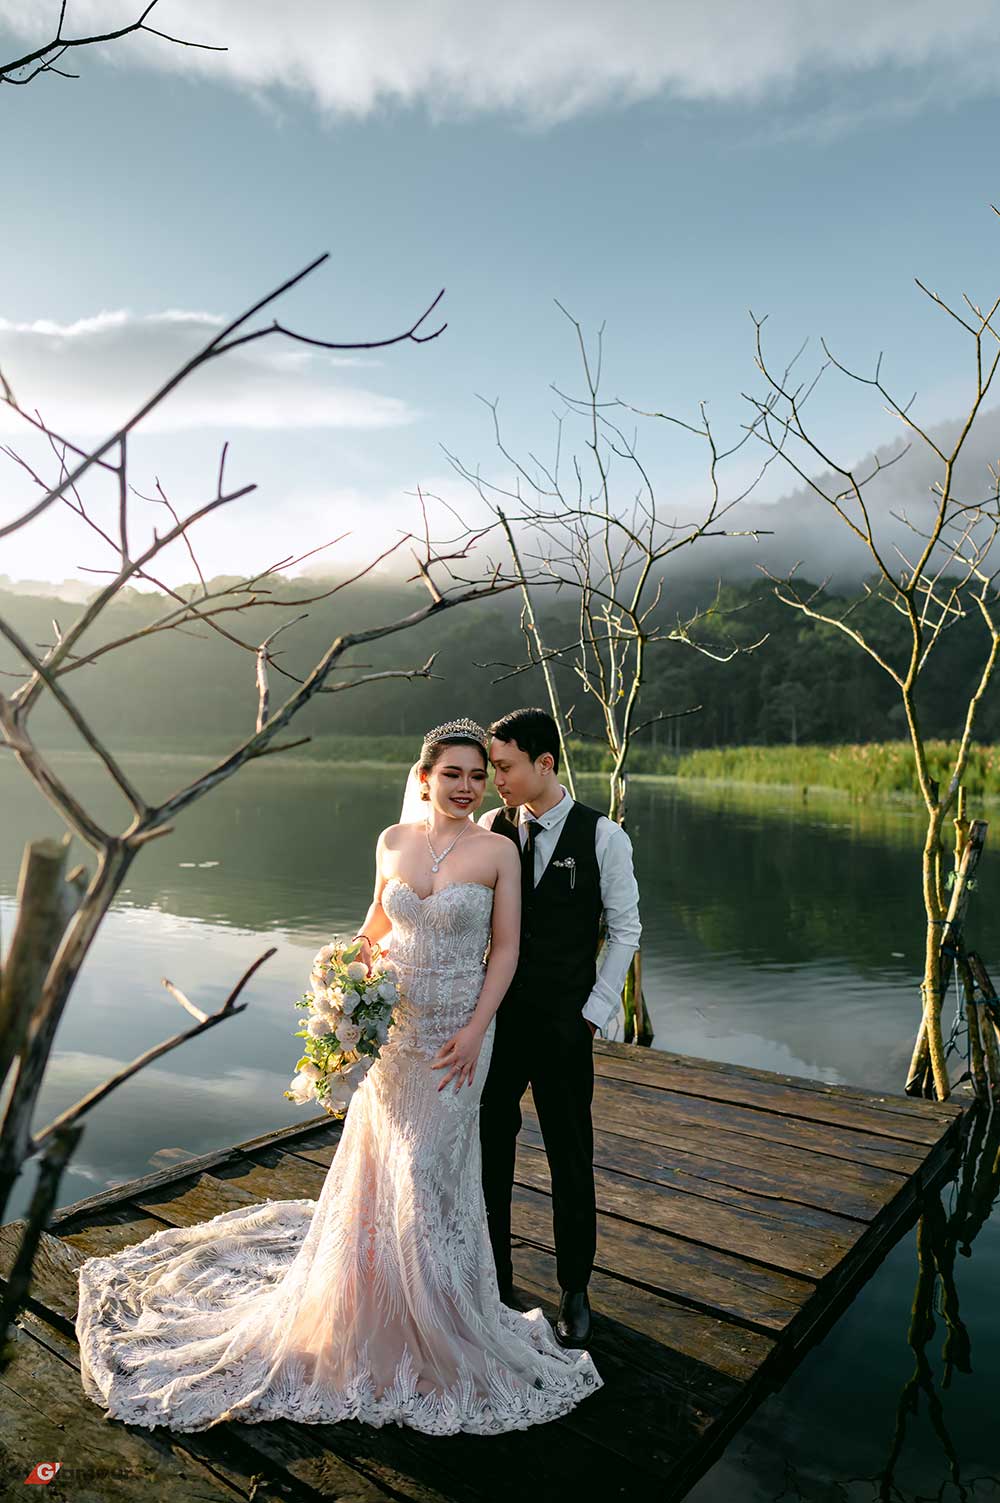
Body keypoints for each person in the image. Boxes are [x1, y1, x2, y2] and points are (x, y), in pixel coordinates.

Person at [74, 717, 602, 1435]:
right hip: (395, 1034)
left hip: (456, 1036)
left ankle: (442, 1316)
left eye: (479, 776)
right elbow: (377, 920)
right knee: (384, 1167)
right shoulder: (393, 841)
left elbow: (505, 950)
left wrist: (478, 1028)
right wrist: (341, 971)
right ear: (424, 778)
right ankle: (378, 1309)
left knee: (428, 1168)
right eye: (452, 774)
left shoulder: (498, 849)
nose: (467, 787)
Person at [478, 707, 641, 1350]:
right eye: (492, 767)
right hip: (498, 1025)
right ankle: (495, 1276)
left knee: (570, 1157)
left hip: (565, 1026)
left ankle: (575, 1288)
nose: (495, 780)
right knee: (490, 1149)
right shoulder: (492, 828)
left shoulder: (603, 836)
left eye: (505, 766)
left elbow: (625, 931)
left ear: (544, 763)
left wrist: (595, 1011)